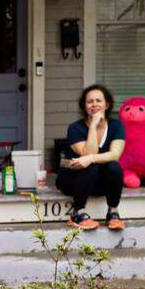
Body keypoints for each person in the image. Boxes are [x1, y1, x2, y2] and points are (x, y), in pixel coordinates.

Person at [56, 84, 126, 230]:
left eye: (98, 101)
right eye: (90, 101)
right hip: (73, 181)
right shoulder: (75, 128)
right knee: (90, 166)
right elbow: (88, 153)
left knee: (113, 166)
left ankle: (113, 211)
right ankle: (78, 213)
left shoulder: (116, 126)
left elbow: (115, 154)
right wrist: (93, 125)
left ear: (107, 104)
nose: (94, 104)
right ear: (84, 106)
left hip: (99, 183)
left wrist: (91, 159)